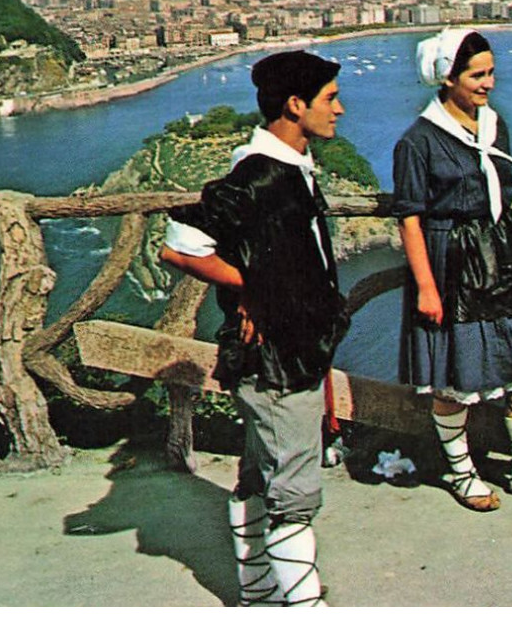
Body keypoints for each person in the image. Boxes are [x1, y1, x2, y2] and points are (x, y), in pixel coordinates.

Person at [159, 50, 349, 607]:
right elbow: (181, 246)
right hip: (276, 355)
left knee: (262, 474)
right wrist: (257, 286)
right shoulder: (261, 175)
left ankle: (261, 594)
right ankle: (303, 606)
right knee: (293, 484)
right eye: (330, 99)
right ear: (295, 104)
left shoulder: (289, 167)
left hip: (286, 347)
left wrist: (258, 286)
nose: (340, 109)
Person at [393, 27, 512, 512]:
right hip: (452, 265)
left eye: (491, 72)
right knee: (454, 380)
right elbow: (410, 219)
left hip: (504, 257)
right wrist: (426, 289)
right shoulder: (417, 142)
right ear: (447, 77)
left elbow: (510, 198)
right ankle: (461, 474)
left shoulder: (494, 126)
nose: (489, 83)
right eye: (478, 75)